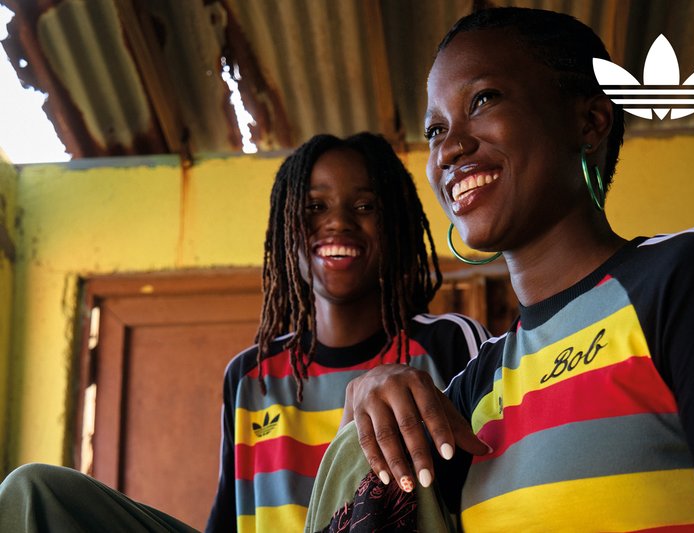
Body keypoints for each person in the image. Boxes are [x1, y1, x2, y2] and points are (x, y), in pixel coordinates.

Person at [305, 8, 694, 533]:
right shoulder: (475, 386)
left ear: (589, 122)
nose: (449, 148)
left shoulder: (688, 274)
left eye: (483, 100)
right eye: (434, 129)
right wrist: (365, 397)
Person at [0, 132, 490, 533]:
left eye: (364, 206)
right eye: (315, 206)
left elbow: (484, 490)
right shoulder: (249, 375)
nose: (338, 221)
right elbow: (228, 520)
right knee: (32, 492)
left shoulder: (448, 343)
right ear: (286, 225)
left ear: (397, 224)